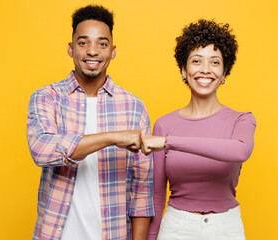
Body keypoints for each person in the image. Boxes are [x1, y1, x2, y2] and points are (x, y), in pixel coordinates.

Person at [27, 5, 153, 240]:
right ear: (70, 48)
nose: (92, 51)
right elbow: (42, 150)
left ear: (113, 51)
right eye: (83, 43)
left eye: (102, 44)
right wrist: (112, 137)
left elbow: (142, 190)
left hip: (114, 234)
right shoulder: (47, 97)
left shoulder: (134, 107)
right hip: (56, 233)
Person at [142, 19, 256, 240]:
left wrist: (168, 142)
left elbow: (240, 151)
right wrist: (151, 236)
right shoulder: (164, 124)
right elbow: (157, 195)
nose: (205, 70)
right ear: (184, 70)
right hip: (176, 227)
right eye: (196, 61)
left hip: (227, 228)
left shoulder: (241, 120)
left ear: (224, 73)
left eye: (215, 62)